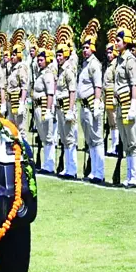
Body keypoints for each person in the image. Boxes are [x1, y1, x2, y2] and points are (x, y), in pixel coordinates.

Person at [112, 6, 136, 187]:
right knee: (125, 141)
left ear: (126, 42)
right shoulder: (119, 60)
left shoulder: (130, 60)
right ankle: (130, 175)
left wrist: (133, 105)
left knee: (133, 141)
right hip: (119, 105)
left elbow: (134, 84)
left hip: (127, 105)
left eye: (118, 40)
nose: (115, 43)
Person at [78, 31, 105, 183]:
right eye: (83, 48)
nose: (84, 50)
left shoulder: (94, 64)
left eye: (87, 47)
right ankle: (93, 170)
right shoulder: (85, 64)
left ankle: (99, 172)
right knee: (90, 140)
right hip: (84, 106)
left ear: (93, 49)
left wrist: (96, 102)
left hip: (91, 105)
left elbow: (98, 85)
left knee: (97, 139)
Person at [55, 38, 78, 179]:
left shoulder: (68, 70)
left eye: (60, 55)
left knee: (70, 139)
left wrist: (70, 109)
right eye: (57, 55)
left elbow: (72, 91)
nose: (58, 58)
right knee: (64, 138)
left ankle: (72, 168)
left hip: (66, 108)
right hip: (59, 107)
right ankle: (67, 167)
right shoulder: (60, 70)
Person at [33, 44, 57, 175]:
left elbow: (50, 93)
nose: (39, 61)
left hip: (43, 106)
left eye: (41, 59)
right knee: (43, 136)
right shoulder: (39, 73)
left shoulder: (48, 74)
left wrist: (48, 109)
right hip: (37, 106)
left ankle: (49, 164)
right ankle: (46, 163)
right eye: (38, 59)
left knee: (48, 136)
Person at [6, 41, 30, 140]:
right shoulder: (12, 68)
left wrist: (22, 103)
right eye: (11, 54)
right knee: (11, 127)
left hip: (18, 100)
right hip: (10, 101)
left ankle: (25, 153)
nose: (12, 57)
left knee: (21, 130)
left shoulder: (21, 68)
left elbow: (24, 86)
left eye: (14, 55)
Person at [104, 42, 120, 156]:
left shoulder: (115, 65)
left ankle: (116, 145)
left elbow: (116, 82)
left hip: (112, 96)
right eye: (107, 53)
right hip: (107, 96)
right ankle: (114, 145)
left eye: (110, 52)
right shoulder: (109, 64)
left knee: (115, 122)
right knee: (111, 123)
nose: (109, 55)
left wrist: (115, 96)